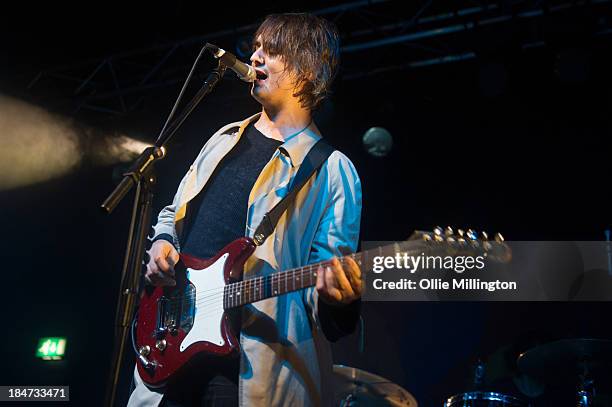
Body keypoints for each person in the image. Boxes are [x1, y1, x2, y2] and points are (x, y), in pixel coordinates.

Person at [128, 12, 362, 407]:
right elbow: (173, 212)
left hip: (247, 376)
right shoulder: (222, 139)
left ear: (307, 68)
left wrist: (338, 299)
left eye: (270, 51)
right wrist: (162, 243)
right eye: (255, 48)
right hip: (171, 356)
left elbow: (327, 291)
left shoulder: (332, 170)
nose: (254, 58)